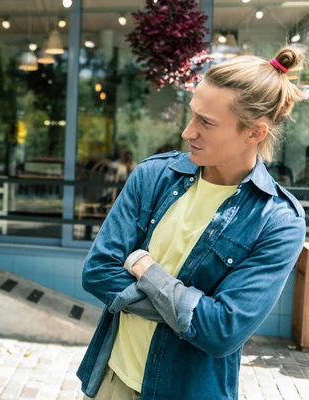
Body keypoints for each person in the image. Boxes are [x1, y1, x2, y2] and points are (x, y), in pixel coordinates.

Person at [78, 47, 306, 400]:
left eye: (207, 123)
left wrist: (146, 269)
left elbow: (223, 332)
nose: (188, 132)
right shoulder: (153, 176)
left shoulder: (278, 221)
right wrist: (187, 311)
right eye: (192, 115)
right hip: (112, 380)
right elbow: (97, 271)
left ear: (255, 133)